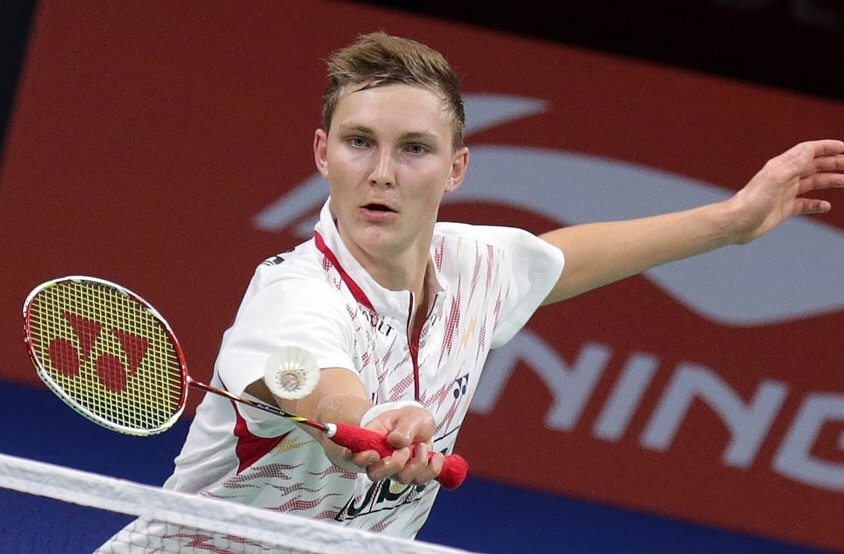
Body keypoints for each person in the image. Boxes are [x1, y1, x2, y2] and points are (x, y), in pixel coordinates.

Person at [101, 31, 844, 550]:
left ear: (457, 167)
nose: (382, 173)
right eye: (359, 142)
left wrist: (733, 222)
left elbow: (562, 260)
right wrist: (375, 423)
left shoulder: (474, 265)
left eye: (414, 149)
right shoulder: (292, 297)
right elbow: (317, 390)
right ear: (323, 153)